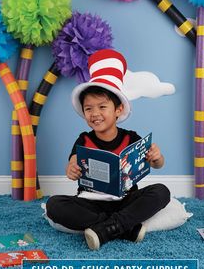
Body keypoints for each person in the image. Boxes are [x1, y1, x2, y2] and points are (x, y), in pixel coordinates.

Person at [46, 49, 170, 250]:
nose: (95, 114)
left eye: (102, 107)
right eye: (89, 108)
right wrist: (72, 169)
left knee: (161, 191)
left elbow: (157, 164)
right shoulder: (83, 139)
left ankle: (109, 227)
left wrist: (157, 157)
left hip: (126, 200)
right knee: (53, 205)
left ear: (118, 110)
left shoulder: (131, 138)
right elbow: (73, 163)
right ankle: (121, 227)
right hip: (90, 202)